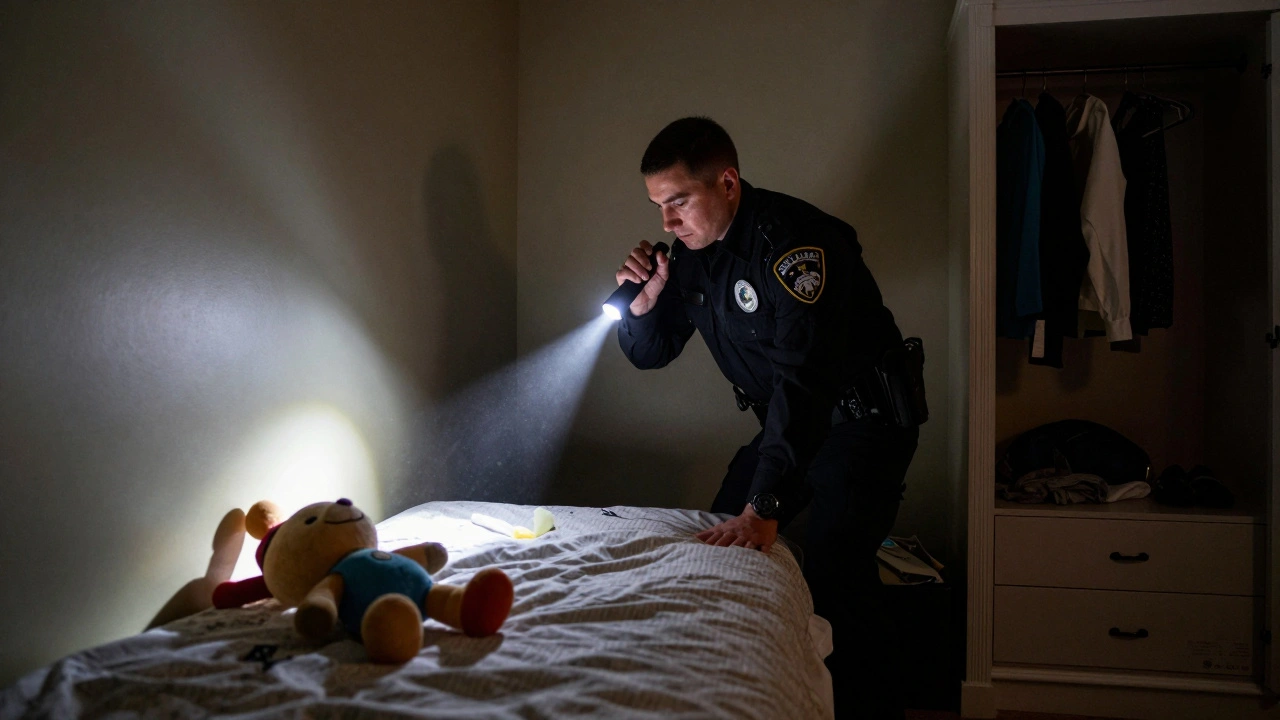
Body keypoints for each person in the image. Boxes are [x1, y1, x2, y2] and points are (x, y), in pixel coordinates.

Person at [614, 117, 920, 719]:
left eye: (679, 202)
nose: (667, 223)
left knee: (836, 571)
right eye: (658, 207)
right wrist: (644, 304)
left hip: (863, 422)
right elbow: (650, 353)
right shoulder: (692, 257)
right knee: (722, 542)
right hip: (795, 423)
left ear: (728, 182)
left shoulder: (797, 244)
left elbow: (805, 381)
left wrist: (767, 506)